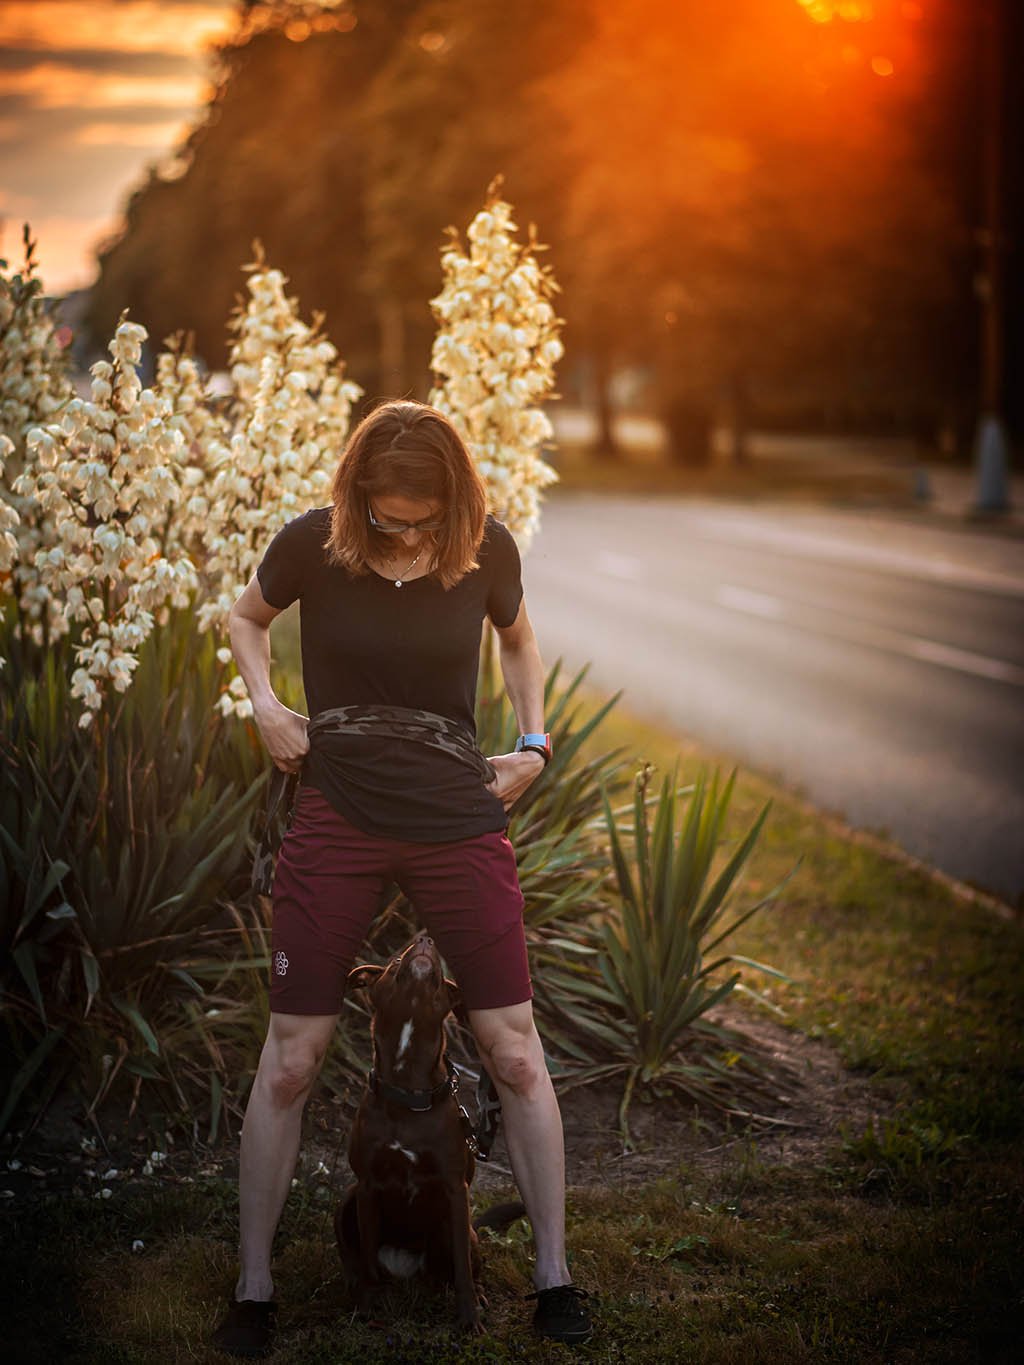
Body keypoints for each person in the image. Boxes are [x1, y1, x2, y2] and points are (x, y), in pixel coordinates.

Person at [212, 399, 591, 1355]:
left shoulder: (485, 550)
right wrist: (265, 703)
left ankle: (555, 1279)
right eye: (386, 515)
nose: (403, 533)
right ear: (357, 495)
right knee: (291, 1060)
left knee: (513, 1052)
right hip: (336, 809)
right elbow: (244, 617)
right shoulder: (313, 542)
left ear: (454, 502)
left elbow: (517, 639)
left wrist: (534, 743)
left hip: (456, 814)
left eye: (421, 518)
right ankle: (254, 1290)